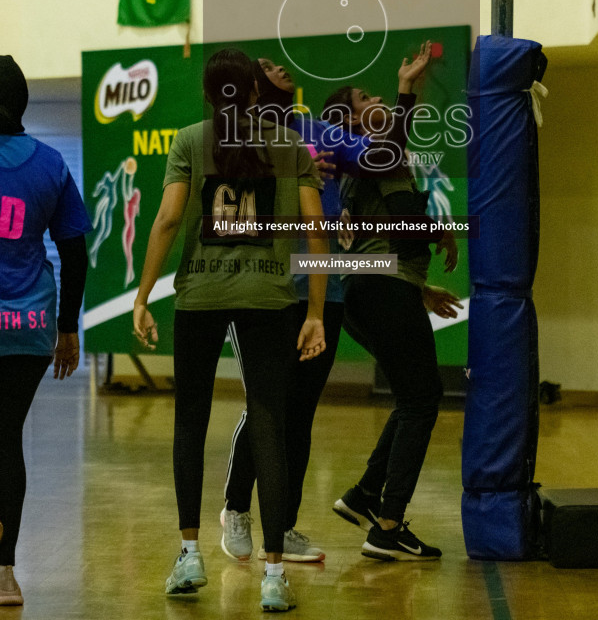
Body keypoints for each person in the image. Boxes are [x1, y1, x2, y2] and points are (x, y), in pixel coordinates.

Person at [132, 48, 327, 613]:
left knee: (189, 422)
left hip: (199, 295)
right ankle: (272, 574)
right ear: (257, 93)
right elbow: (317, 228)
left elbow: (168, 219)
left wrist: (143, 296)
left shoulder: (191, 140)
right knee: (270, 423)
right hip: (270, 298)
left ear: (207, 93)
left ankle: (189, 555)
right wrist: (314, 311)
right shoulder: (291, 145)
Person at [220, 47, 432, 565]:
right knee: (267, 404)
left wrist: (405, 94)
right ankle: (235, 509)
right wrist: (292, 176)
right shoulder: (237, 140)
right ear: (250, 84)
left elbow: (384, 156)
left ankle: (284, 522)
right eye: (269, 66)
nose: (281, 67)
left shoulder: (317, 130)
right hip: (267, 289)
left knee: (301, 412)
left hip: (325, 290)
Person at [322, 83, 462, 562]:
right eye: (365, 98)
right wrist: (441, 232)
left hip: (367, 290)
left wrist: (419, 290)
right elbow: (402, 221)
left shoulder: (360, 163)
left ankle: (364, 494)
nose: (375, 99)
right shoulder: (380, 155)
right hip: (382, 289)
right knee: (423, 400)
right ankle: (387, 524)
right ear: (352, 121)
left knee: (411, 398)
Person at [0, 55, 91, 607]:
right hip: (29, 326)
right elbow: (75, 254)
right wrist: (67, 329)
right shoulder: (52, 164)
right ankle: (5, 574)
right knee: (7, 437)